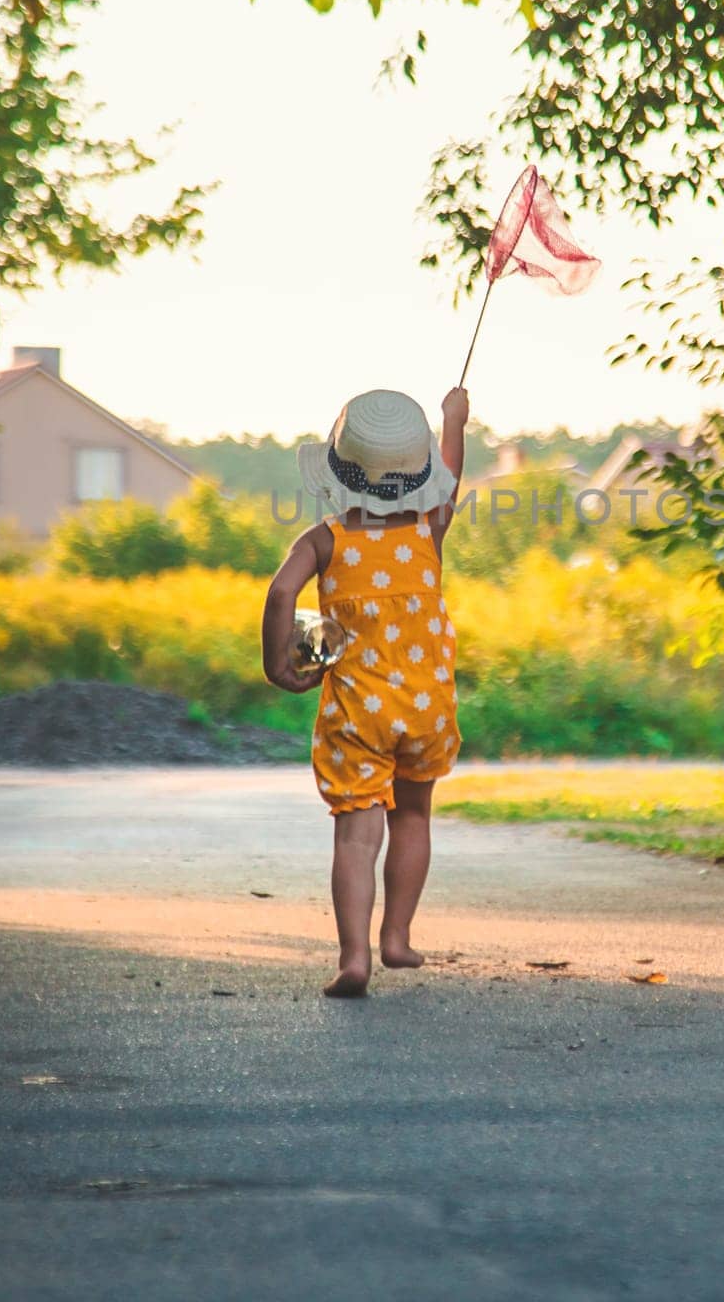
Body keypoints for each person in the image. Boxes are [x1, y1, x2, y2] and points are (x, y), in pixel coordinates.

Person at [261, 386, 469, 997]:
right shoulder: (430, 528)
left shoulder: (325, 539)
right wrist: (453, 420)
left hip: (358, 710)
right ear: (419, 475)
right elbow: (451, 479)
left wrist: (279, 665)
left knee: (357, 833)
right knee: (413, 817)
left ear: (338, 471)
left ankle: (355, 958)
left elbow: (280, 595)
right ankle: (397, 937)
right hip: (426, 705)